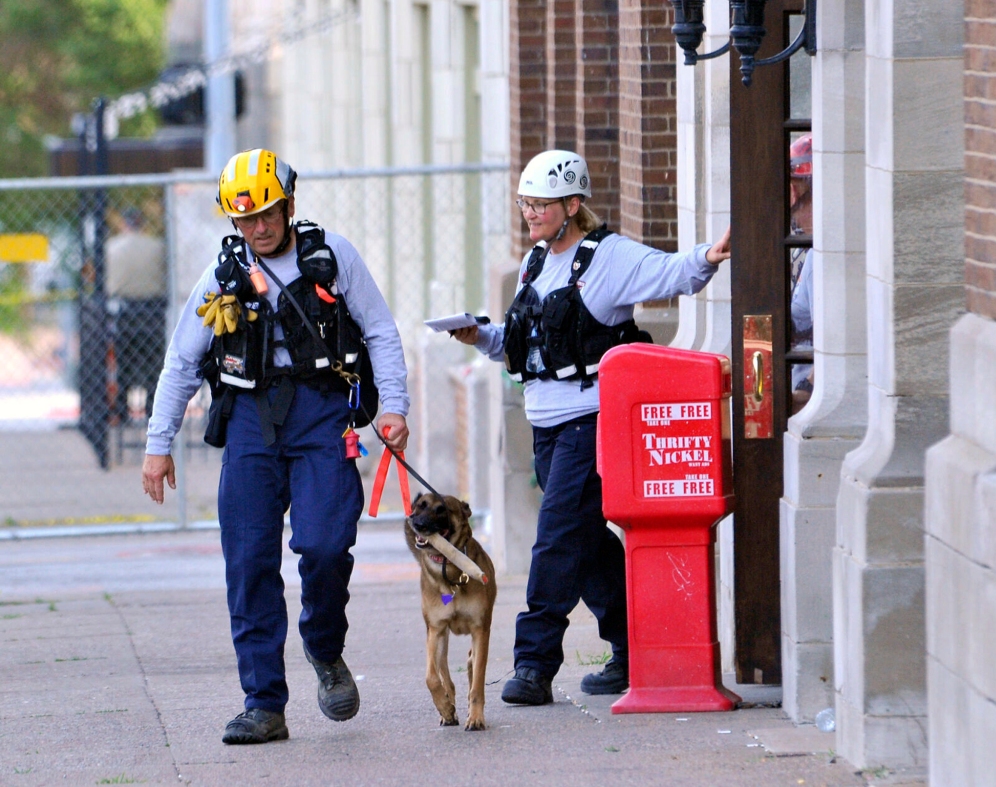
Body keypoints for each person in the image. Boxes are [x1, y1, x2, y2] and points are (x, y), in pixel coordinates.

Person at [141, 148, 410, 744]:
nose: (257, 228)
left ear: (289, 206)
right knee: (249, 563)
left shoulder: (333, 257)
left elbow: (381, 331)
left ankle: (324, 647)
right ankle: (263, 702)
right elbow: (181, 361)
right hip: (249, 421)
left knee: (324, 545)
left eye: (267, 213)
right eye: (244, 220)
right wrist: (158, 444)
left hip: (322, 416)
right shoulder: (220, 278)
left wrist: (393, 407)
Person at [451, 150, 731, 705]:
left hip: (590, 422)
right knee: (588, 548)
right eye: (525, 202)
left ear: (572, 205)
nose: (529, 212)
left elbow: (669, 271)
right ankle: (634, 649)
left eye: (541, 204)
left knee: (555, 540)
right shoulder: (535, 260)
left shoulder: (607, 257)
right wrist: (479, 336)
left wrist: (707, 256)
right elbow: (521, 341)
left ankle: (533, 665)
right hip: (545, 426)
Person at [104, 207, 167, 423]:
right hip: (152, 310)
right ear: (141, 223)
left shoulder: (111, 248)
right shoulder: (157, 247)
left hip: (124, 311)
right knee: (154, 364)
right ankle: (153, 409)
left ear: (124, 223)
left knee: (124, 364)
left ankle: (121, 410)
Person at [788, 133, 814, 407]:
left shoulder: (819, 259)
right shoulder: (801, 247)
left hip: (804, 401)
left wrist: (804, 393)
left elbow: (830, 338)